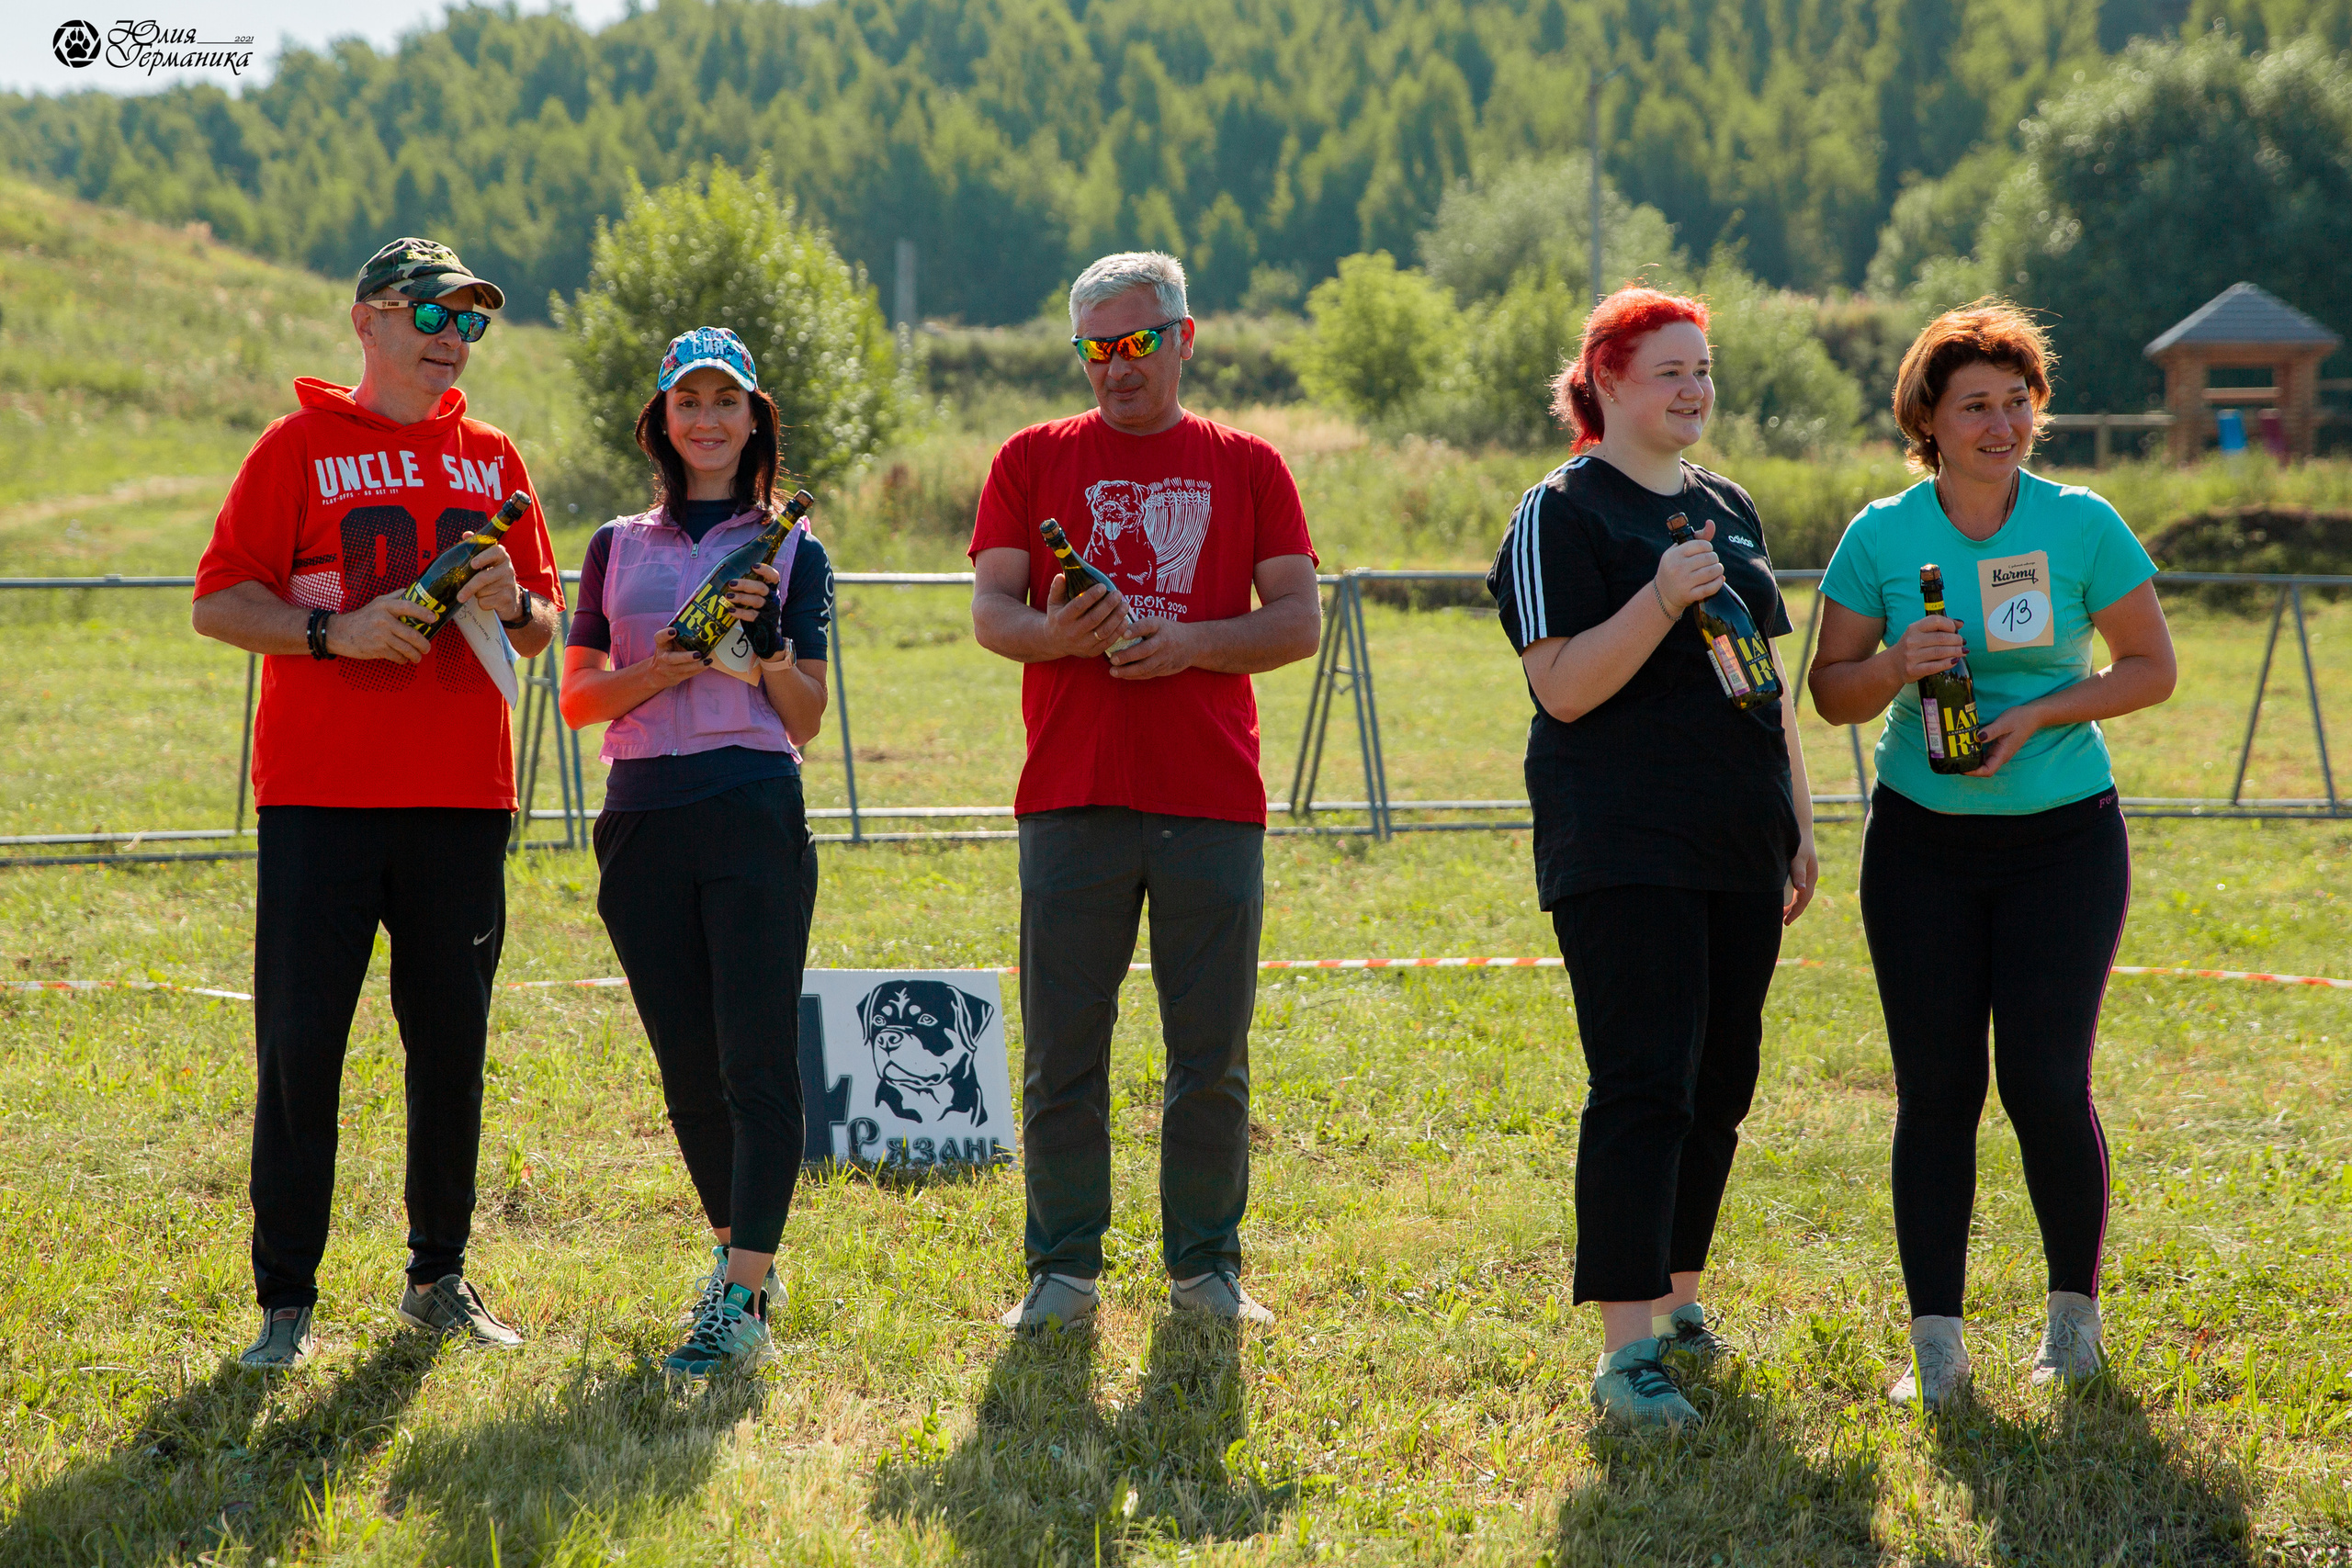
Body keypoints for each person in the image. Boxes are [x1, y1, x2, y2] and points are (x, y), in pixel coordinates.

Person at [192, 237, 563, 1369]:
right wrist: (332, 632)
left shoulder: (494, 458)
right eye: (431, 314)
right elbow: (219, 601)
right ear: (368, 321)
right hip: (321, 799)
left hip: (461, 799)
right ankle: (285, 1303)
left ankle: (438, 1277)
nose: (453, 338)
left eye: (470, 320)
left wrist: (517, 602)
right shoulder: (295, 446)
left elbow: (541, 627)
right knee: (301, 1048)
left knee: (449, 1049)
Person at [1808, 301, 2175, 1408]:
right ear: (1926, 418)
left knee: (2046, 1083)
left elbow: (2150, 667)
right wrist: (1895, 667)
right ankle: (1937, 1348)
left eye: (2017, 402)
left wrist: (2041, 712)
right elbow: (1830, 692)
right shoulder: (1879, 536)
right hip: (1919, 845)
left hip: (2064, 841)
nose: (2002, 424)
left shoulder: (2081, 524)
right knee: (1936, 1092)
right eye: (1975, 406)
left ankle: (2072, 1327)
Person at [968, 252, 1321, 1333]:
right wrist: (1056, 635)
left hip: (1210, 796)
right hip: (1068, 794)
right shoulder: (1029, 457)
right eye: (1095, 348)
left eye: (1135, 343)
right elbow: (992, 612)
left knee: (1209, 1056)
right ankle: (1062, 1272)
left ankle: (1205, 1272)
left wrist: (1191, 645)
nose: (1116, 367)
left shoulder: (1249, 465)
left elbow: (1297, 620)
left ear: (1183, 339)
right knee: (1061, 1052)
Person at [1485, 286, 1817, 1430]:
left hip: (1738, 837)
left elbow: (1766, 684)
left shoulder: (1728, 506)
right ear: (1606, 383)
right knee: (1645, 1082)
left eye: (1702, 368)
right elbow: (1563, 689)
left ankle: (1677, 1305)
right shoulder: (1558, 511)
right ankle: (1624, 1352)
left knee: (1720, 1081)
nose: (1693, 389)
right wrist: (1661, 598)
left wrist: (1799, 818)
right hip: (1624, 844)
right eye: (1669, 370)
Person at [559, 327, 832, 1377]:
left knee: (755, 1061)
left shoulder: (793, 547)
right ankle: (737, 1263)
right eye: (689, 402)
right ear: (662, 421)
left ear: (755, 418)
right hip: (640, 819)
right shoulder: (614, 544)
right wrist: (663, 669)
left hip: (752, 806)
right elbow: (579, 700)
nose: (708, 420)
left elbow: (806, 718)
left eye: (727, 401)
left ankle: (742, 1298)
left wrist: (764, 654)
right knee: (688, 1068)